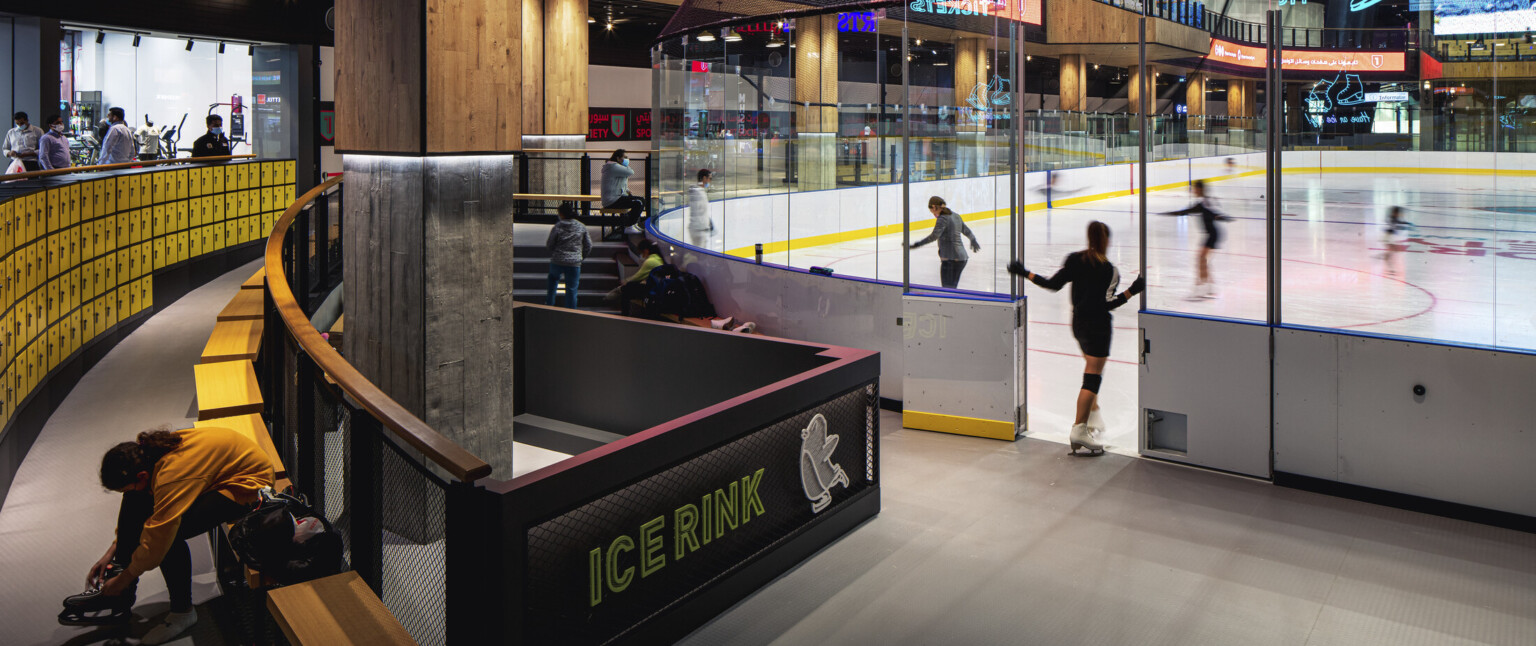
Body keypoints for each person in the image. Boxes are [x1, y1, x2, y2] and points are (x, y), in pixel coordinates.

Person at [60, 427, 274, 644]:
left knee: (170, 534)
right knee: (135, 499)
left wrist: (125, 579)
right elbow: (141, 515)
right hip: (222, 473)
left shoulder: (170, 477)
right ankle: (119, 593)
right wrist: (111, 552)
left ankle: (183, 612)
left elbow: (160, 537)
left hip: (250, 485)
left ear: (143, 475)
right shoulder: (147, 455)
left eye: (126, 486)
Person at [1007, 221, 1145, 455]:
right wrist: (1133, 290)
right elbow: (1109, 303)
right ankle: (1079, 428)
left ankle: (1093, 416)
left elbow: (1052, 285)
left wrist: (1024, 272)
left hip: (1078, 325)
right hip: (1098, 329)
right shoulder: (1109, 270)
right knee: (1092, 378)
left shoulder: (1075, 260)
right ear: (1106, 241)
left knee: (1091, 371)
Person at [1161, 180, 1232, 300]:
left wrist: (1220, 217)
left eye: (1195, 188)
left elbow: (1210, 213)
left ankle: (1200, 289)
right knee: (1203, 260)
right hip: (1213, 234)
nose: (1193, 191)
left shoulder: (1203, 203)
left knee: (1201, 259)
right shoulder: (1206, 201)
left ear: (1200, 189)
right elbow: (1188, 212)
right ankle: (1209, 288)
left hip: (1212, 234)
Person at [907, 196, 981, 289]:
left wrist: (918, 244)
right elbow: (967, 231)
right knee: (952, 289)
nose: (932, 214)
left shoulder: (942, 218)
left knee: (947, 290)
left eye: (931, 211)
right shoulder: (956, 215)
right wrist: (973, 239)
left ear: (934, 207)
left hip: (951, 260)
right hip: (961, 258)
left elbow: (934, 236)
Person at [546, 202, 593, 308]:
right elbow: (588, 245)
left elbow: (550, 244)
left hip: (557, 260)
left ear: (561, 214)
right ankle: (571, 311)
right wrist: (580, 257)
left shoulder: (557, 226)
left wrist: (554, 252)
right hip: (574, 262)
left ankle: (549, 306)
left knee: (552, 283)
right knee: (572, 288)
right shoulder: (581, 226)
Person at [612, 240, 663, 316]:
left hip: (651, 290)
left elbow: (638, 276)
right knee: (629, 286)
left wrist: (625, 281)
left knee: (626, 289)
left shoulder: (650, 261)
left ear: (646, 250)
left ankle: (624, 315)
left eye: (641, 252)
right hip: (656, 288)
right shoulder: (658, 259)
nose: (641, 255)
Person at [600, 149, 646, 236]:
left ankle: (632, 224)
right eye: (624, 157)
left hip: (616, 197)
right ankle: (629, 226)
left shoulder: (613, 166)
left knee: (641, 200)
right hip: (612, 200)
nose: (627, 159)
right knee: (638, 202)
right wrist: (627, 165)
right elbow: (630, 172)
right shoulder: (614, 167)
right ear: (618, 158)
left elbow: (620, 181)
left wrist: (627, 190)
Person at [1379, 206, 1413, 276]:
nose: (1399, 214)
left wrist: (1405, 223)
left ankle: (1390, 266)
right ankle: (1390, 268)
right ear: (1395, 213)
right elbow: (1394, 225)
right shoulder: (1392, 219)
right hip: (1388, 237)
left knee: (1392, 252)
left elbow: (1397, 223)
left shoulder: (1393, 218)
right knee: (1392, 252)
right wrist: (1404, 224)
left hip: (1389, 237)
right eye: (1398, 213)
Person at [686, 168, 715, 248]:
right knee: (701, 256)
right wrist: (705, 226)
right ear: (704, 178)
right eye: (710, 178)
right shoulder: (697, 192)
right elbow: (697, 212)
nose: (710, 181)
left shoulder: (700, 191)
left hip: (701, 229)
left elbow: (701, 211)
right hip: (699, 230)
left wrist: (708, 222)